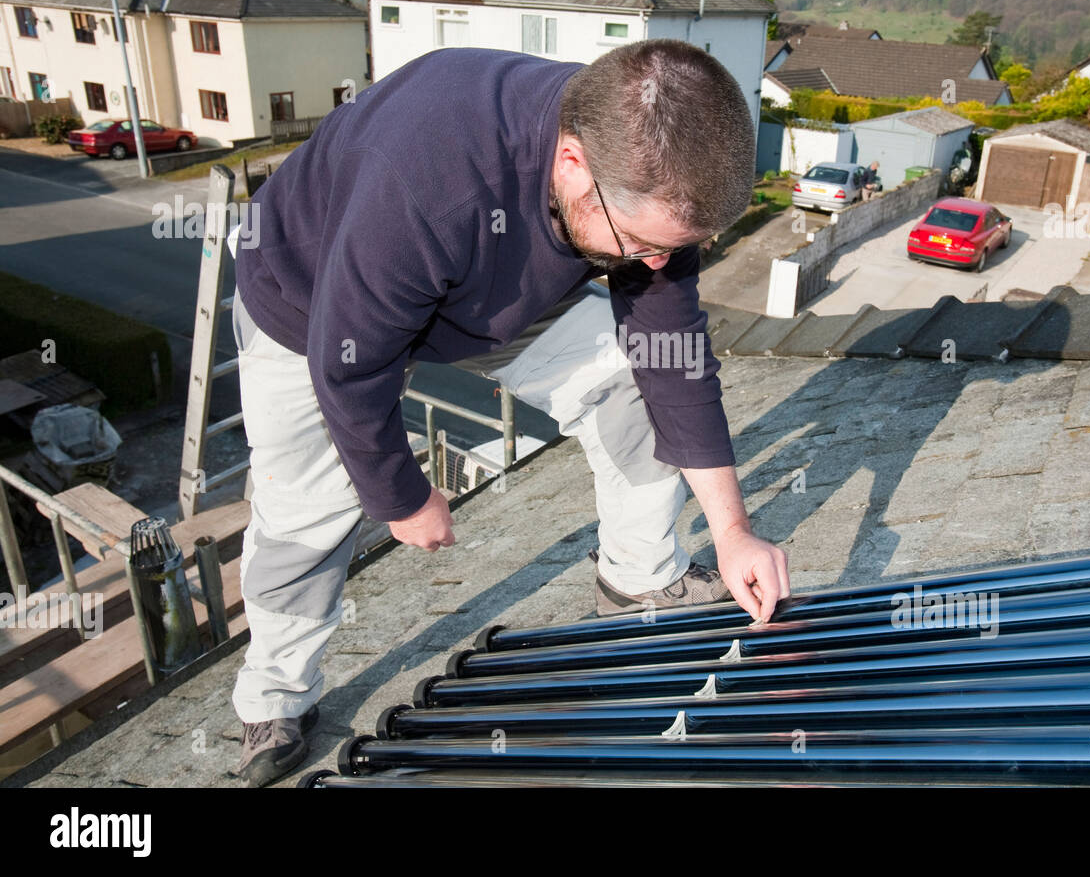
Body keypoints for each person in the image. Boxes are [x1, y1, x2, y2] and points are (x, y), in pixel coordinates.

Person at [226, 39, 791, 786]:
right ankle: (275, 696)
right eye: (645, 247)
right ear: (571, 165)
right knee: (306, 514)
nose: (657, 264)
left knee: (630, 377)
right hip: (313, 304)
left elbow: (674, 360)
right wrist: (400, 496)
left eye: (675, 250)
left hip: (478, 292)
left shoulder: (644, 173)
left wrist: (734, 532)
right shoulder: (428, 179)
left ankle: (639, 575)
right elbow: (349, 361)